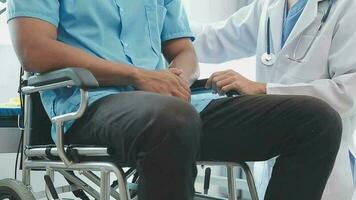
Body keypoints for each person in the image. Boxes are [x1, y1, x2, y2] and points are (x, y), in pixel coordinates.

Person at [7, 0, 202, 199]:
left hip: (168, 105)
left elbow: (184, 51)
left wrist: (177, 83)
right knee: (172, 119)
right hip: (88, 105)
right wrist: (138, 75)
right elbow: (33, 50)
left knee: (234, 112)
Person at [192, 0, 356, 199]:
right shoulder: (271, 4)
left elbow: (348, 92)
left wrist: (263, 90)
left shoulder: (348, 6)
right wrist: (166, 26)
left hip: (326, 171)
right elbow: (215, 39)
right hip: (279, 158)